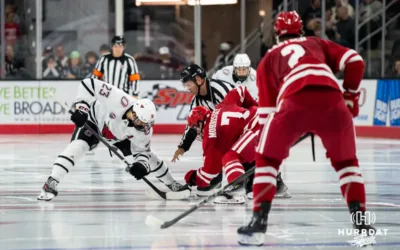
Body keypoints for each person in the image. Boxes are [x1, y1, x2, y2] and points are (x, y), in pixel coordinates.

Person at [237, 11, 375, 246]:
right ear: (301, 30)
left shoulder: (269, 58)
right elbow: (355, 60)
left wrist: (266, 151)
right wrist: (350, 96)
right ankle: (362, 225)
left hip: (293, 102)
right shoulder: (316, 42)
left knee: (267, 162)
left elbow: (266, 114)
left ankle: (258, 222)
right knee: (347, 165)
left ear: (276, 33)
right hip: (333, 103)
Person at [37, 78, 190, 201]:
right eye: (141, 123)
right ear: (134, 113)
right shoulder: (119, 99)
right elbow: (88, 83)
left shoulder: (144, 129)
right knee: (78, 147)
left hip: (119, 136)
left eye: (147, 124)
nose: (143, 127)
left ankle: (172, 184)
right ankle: (51, 182)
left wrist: (141, 165)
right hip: (94, 121)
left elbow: (143, 151)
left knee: (151, 158)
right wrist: (82, 108)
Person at [184, 86, 289, 203]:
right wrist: (256, 107)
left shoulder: (211, 136)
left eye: (195, 127)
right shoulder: (222, 106)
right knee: (243, 156)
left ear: (200, 122)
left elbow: (209, 172)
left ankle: (236, 187)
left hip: (260, 127)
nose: (196, 132)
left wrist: (192, 178)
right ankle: (275, 185)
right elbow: (241, 90)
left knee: (230, 157)